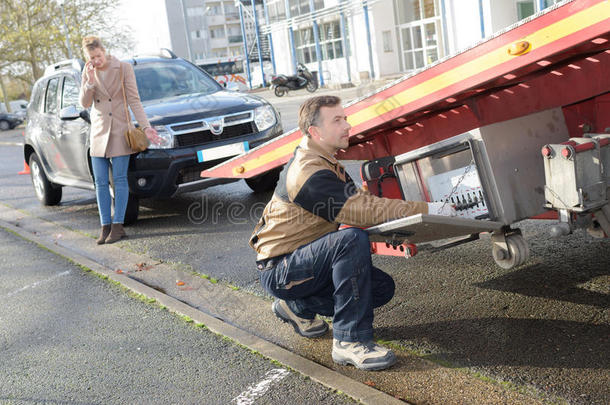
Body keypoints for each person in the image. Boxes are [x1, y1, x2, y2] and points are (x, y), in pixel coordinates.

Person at [250, 95, 455, 371]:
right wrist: (429, 209)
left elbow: (364, 208)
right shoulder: (309, 173)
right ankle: (350, 341)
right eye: (337, 120)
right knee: (349, 240)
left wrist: (414, 223)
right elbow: (365, 211)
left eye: (345, 118)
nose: (347, 125)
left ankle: (297, 307)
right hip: (280, 269)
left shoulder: (324, 160)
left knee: (380, 288)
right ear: (315, 131)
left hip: (300, 261)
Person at [78, 36, 160, 244]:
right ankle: (105, 226)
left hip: (119, 131)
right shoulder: (88, 72)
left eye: (98, 56)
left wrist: (146, 126)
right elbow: (85, 103)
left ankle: (118, 225)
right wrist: (87, 83)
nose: (96, 60)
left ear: (104, 51)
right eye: (91, 58)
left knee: (120, 180)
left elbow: (133, 99)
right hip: (98, 133)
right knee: (100, 183)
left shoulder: (123, 68)